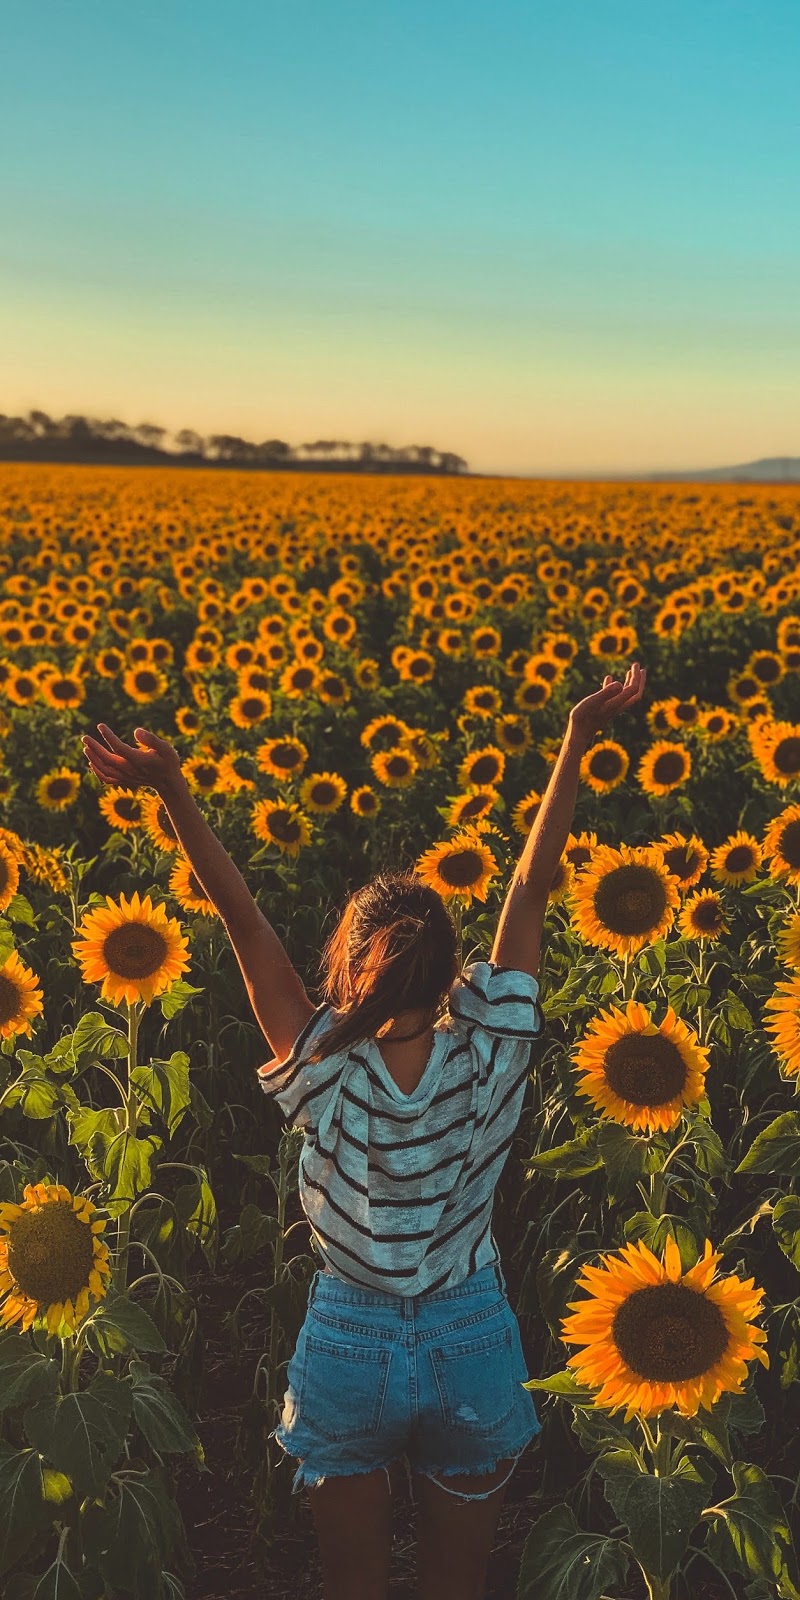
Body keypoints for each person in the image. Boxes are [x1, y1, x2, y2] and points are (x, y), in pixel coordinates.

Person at [82, 661, 646, 1600]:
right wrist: (577, 738)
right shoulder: (491, 1052)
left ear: (349, 969)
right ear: (452, 973)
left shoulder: (324, 1066)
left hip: (349, 1339)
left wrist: (173, 791)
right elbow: (529, 888)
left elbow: (243, 923)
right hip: (472, 1335)